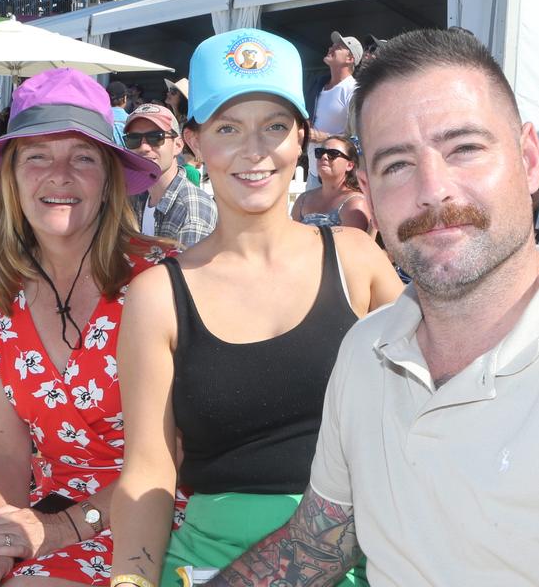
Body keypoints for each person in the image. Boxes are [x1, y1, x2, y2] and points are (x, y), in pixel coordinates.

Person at [201, 27, 539, 586]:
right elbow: (315, 546)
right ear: (369, 191)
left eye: (464, 149)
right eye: (397, 165)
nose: (434, 189)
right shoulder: (368, 348)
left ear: (529, 159)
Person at [110, 28, 404, 587]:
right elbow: (149, 465)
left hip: (358, 550)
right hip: (210, 560)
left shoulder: (355, 261)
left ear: (301, 138)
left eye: (273, 126)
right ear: (194, 142)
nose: (254, 150)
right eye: (227, 128)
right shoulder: (158, 296)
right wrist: (132, 579)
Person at [0, 69, 181, 587]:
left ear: (109, 178)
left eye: (83, 157)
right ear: (11, 177)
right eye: (37, 156)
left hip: (155, 512)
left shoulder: (160, 282)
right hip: (48, 510)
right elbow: (1, 447)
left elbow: (181, 451)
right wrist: (0, 534)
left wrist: (66, 528)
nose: (59, 174)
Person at [124, 103, 217, 248]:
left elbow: (185, 271)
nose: (143, 147)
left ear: (178, 145)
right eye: (134, 139)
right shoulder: (136, 198)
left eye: (156, 137)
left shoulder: (191, 210)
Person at [308, 31, 360, 186]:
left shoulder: (354, 90)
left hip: (338, 178)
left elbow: (358, 138)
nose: (331, 47)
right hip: (313, 172)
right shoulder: (317, 86)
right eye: (333, 44)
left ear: (350, 59)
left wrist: (322, 137)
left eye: (339, 47)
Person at [291, 134, 372, 234]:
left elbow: (352, 247)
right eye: (320, 152)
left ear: (350, 165)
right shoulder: (303, 200)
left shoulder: (355, 204)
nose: (324, 157)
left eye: (333, 153)